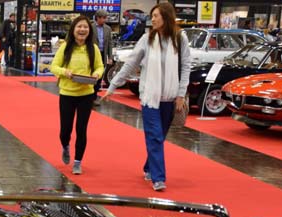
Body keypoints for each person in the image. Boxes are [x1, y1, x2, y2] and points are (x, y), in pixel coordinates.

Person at [101, 2, 191, 191]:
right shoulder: (146, 39)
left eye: (156, 16)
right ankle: (159, 178)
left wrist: (181, 94)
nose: (153, 19)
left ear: (166, 17)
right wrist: (113, 85)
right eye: (152, 16)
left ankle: (149, 167)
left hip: (170, 97)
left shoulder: (180, 38)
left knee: (160, 136)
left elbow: (185, 67)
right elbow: (130, 64)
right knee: (155, 136)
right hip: (150, 97)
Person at [50, 15, 104, 175]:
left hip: (86, 95)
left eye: (85, 27)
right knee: (65, 130)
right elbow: (54, 66)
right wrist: (64, 72)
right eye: (79, 26)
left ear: (89, 30)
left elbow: (100, 66)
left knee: (81, 129)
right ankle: (65, 146)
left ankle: (78, 162)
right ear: (73, 29)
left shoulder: (93, 48)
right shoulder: (65, 47)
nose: (82, 30)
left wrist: (97, 74)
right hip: (67, 94)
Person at [93, 9, 114, 89]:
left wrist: (110, 57)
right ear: (98, 18)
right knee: (93, 69)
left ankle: (97, 86)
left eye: (106, 18)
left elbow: (110, 43)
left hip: (103, 53)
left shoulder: (108, 28)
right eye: (104, 18)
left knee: (101, 70)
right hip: (93, 53)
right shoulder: (91, 27)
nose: (105, 20)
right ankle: (92, 86)